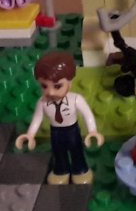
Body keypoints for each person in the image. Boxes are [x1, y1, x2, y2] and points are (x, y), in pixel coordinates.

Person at [16, 52, 103, 184]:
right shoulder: (42, 102)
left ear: (70, 82)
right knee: (58, 152)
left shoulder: (76, 99)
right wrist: (30, 134)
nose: (50, 92)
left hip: (72, 130)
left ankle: (80, 170)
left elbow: (87, 114)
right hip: (55, 132)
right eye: (44, 86)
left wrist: (92, 131)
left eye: (57, 86)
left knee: (77, 150)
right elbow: (37, 119)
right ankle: (61, 170)